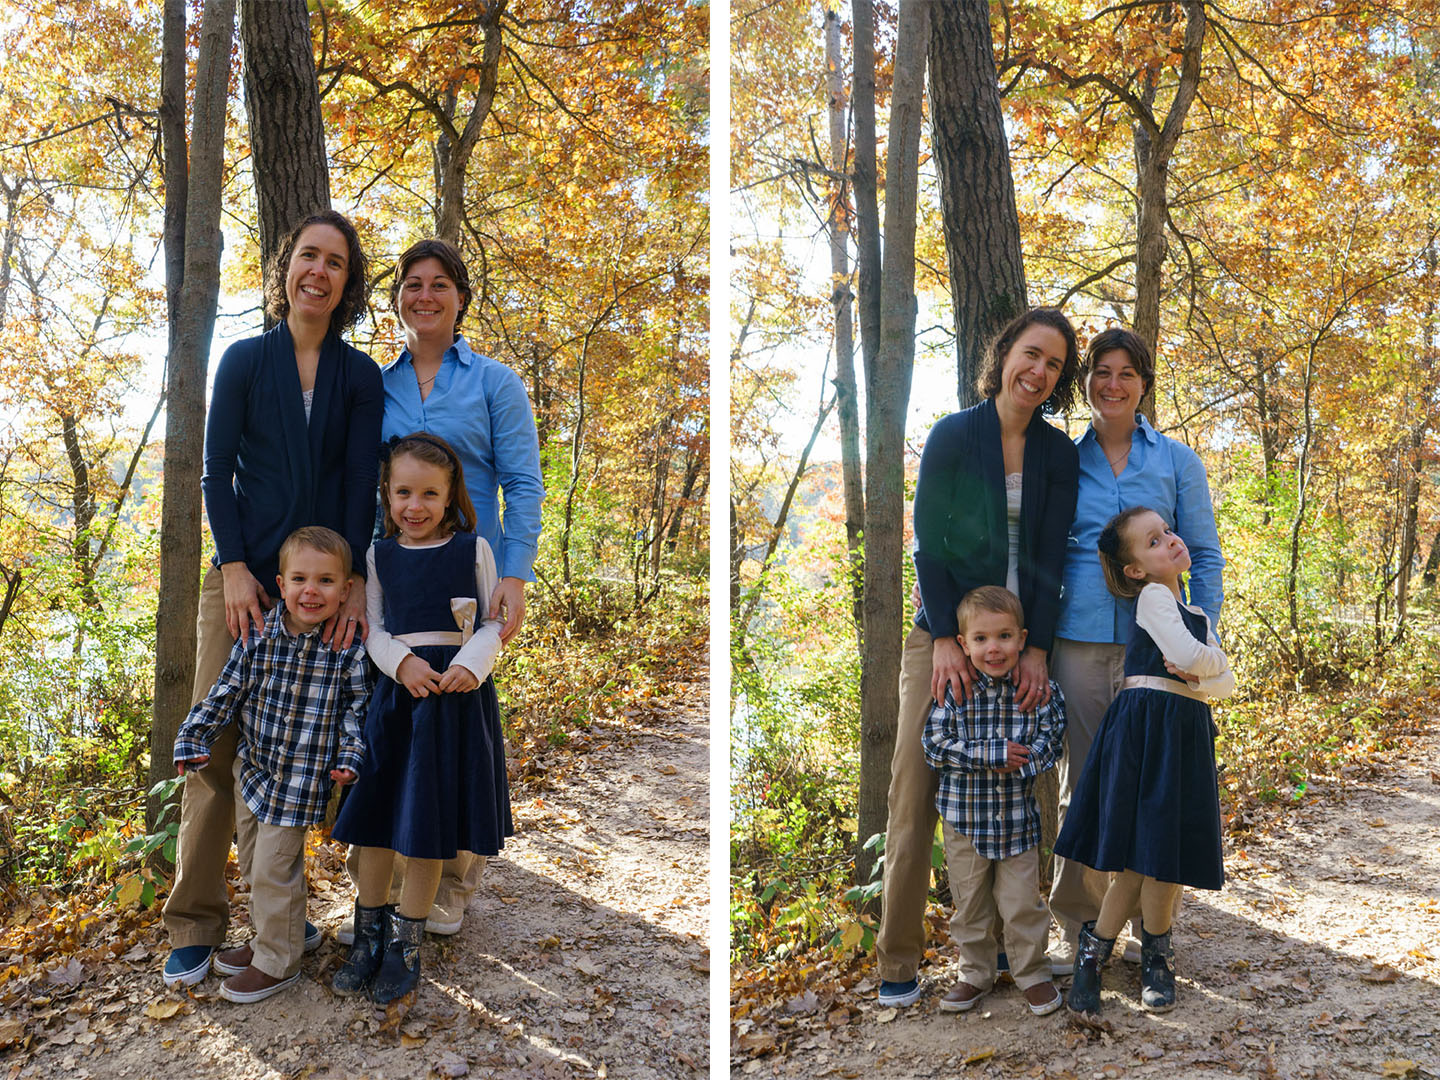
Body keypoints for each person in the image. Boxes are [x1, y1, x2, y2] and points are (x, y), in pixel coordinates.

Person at [162, 210, 383, 988]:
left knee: (326, 751)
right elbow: (214, 473)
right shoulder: (245, 361)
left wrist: (353, 579)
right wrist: (230, 567)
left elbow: (361, 484)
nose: (318, 272)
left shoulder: (360, 377)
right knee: (216, 756)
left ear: (347, 283)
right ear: (286, 267)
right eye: (307, 257)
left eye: (335, 263)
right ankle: (194, 922)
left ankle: (296, 919)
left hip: (328, 597)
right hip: (247, 585)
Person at [338, 238, 543, 942]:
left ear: (460, 297)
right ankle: (388, 888)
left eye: (440, 285)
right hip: (398, 570)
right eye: (412, 284)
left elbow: (523, 483)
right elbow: (366, 489)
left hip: (469, 574)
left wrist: (515, 573)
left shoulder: (493, 383)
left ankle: (453, 882)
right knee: (395, 725)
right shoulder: (377, 384)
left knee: (459, 720)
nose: (424, 295)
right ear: (398, 297)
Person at [877, 308, 1081, 1008]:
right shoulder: (955, 435)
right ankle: (898, 963)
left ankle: (1023, 953)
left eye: (1054, 364)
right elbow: (928, 545)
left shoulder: (1058, 454)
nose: (1039, 371)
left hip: (1021, 645)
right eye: (1031, 354)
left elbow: (1051, 557)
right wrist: (941, 638)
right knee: (914, 793)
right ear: (1004, 356)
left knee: (1031, 787)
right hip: (946, 640)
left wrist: (1038, 649)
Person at [1048, 327, 1224, 967]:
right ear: (1087, 380)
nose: (1112, 383)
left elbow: (1202, 554)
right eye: (1101, 370)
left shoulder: (1177, 462)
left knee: (1159, 790)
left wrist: (1203, 638)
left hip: (1164, 655)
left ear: (1144, 384)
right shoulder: (1066, 460)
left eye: (1127, 372)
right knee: (1088, 785)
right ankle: (1083, 933)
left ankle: (1154, 933)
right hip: (1084, 642)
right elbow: (1047, 555)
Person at [330, 432, 509, 1003]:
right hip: (396, 698)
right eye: (403, 492)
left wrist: (471, 666)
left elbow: (489, 624)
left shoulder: (472, 549)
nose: (415, 506)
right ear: (386, 494)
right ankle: (370, 935)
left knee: (428, 825)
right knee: (379, 818)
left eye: (430, 494)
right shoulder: (379, 556)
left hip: (453, 702)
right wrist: (401, 663)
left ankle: (408, 944)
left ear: (451, 493)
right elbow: (375, 629)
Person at [173, 527, 370, 1003]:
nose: (311, 590)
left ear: (346, 590)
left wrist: (348, 758)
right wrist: (193, 735)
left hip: (300, 780)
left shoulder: (345, 649)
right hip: (255, 770)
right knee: (255, 863)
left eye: (325, 581)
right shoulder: (259, 633)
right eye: (300, 578)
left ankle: (276, 963)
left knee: (274, 869)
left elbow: (355, 709)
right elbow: (226, 690)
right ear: (280, 584)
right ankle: (275, 935)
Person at [1053, 507, 1235, 1015]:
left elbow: (1224, 681)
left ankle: (1157, 952)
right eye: (1153, 541)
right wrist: (1207, 667)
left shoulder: (1197, 613)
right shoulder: (1154, 597)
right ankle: (1095, 952)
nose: (1170, 541)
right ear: (1136, 569)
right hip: (1147, 727)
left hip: (1184, 729)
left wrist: (1207, 667)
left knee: (1167, 852)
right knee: (1138, 856)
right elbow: (1190, 658)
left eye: (1169, 532)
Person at [922, 587, 1067, 1017]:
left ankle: (1033, 974)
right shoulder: (954, 690)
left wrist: (1019, 764)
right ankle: (974, 975)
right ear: (963, 644)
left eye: (1004, 636)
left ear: (1022, 639)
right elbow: (934, 744)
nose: (994, 648)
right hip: (963, 819)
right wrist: (991, 755)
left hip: (1017, 819)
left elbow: (1051, 740)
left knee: (1022, 902)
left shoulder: (1037, 689)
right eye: (981, 639)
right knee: (970, 905)